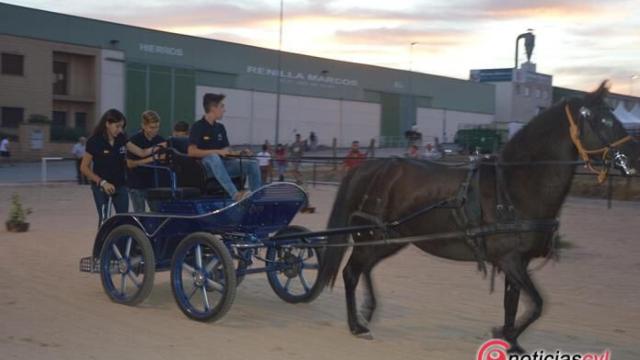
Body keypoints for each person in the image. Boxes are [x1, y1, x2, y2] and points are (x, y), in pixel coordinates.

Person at [80, 109, 158, 225]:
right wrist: (102, 182)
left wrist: (160, 147)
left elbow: (141, 152)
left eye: (122, 127)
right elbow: (84, 167)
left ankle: (121, 242)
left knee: (123, 220)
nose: (120, 130)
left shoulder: (121, 138)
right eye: (117, 126)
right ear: (107, 124)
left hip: (120, 185)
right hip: (101, 186)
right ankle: (104, 242)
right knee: (104, 219)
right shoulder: (94, 141)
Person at [187, 93, 261, 201]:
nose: (224, 110)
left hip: (223, 164)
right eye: (222, 106)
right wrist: (217, 152)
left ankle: (257, 199)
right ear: (213, 108)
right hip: (204, 169)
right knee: (213, 157)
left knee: (252, 164)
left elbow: (226, 151)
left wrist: (240, 153)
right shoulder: (197, 126)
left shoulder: (220, 128)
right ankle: (235, 195)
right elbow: (191, 152)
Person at [126, 110, 166, 213]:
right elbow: (130, 164)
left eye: (157, 127)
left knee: (158, 214)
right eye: (151, 127)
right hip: (136, 184)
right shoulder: (134, 140)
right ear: (143, 126)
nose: (155, 130)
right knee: (140, 215)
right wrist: (152, 158)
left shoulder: (161, 140)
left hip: (154, 184)